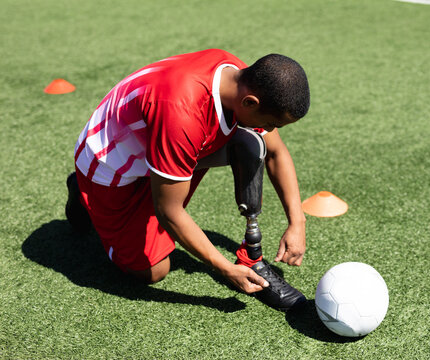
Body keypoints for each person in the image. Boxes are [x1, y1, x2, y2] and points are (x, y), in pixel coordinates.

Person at [65, 49, 310, 311]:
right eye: (272, 123)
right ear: (250, 102)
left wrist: (297, 222)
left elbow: (275, 152)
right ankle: (83, 191)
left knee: (253, 143)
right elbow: (169, 211)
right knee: (151, 271)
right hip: (110, 167)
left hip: (160, 147)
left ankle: (251, 256)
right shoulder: (182, 114)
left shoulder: (240, 76)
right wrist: (224, 268)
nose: (272, 130)